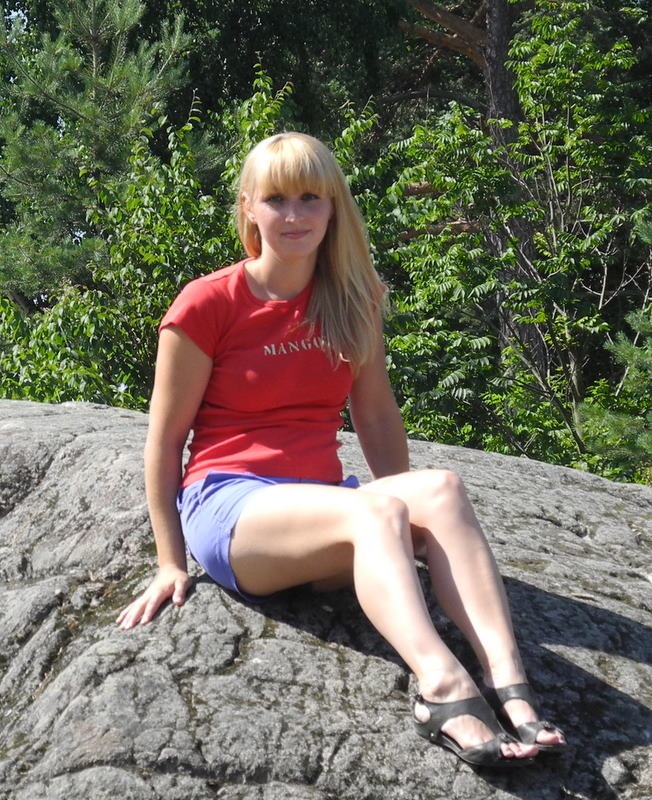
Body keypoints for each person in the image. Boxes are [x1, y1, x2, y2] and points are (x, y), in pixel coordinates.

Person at [117, 131, 566, 767]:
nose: (294, 215)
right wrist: (170, 561)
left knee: (440, 489)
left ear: (333, 207)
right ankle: (441, 686)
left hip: (326, 505)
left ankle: (508, 680)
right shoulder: (208, 303)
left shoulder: (355, 297)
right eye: (276, 199)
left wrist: (408, 519)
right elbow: (165, 442)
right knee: (376, 510)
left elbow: (375, 413)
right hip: (234, 508)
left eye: (311, 198)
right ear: (248, 208)